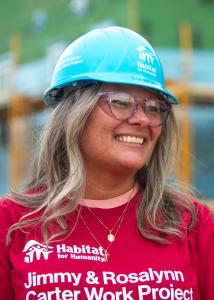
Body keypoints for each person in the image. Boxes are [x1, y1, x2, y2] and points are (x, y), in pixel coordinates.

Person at [0, 26, 213, 300]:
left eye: (153, 107)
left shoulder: (191, 224)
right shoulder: (12, 224)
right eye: (121, 102)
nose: (143, 119)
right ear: (73, 113)